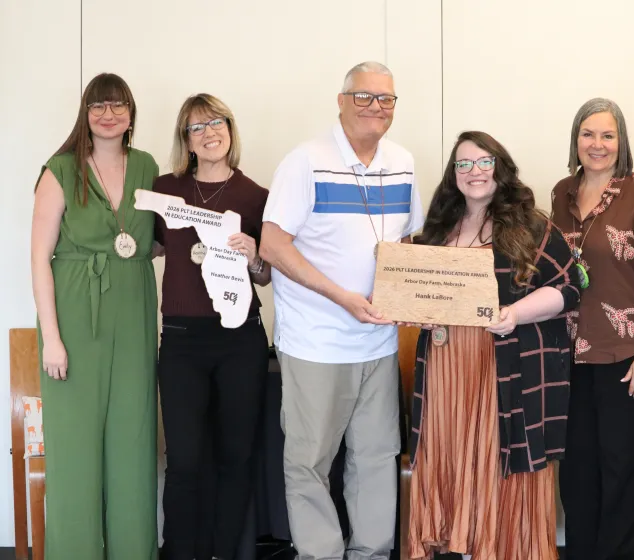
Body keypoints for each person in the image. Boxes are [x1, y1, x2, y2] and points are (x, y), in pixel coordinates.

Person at [259, 61, 424, 560]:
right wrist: (342, 296)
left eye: (387, 99)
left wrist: (407, 293)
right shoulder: (304, 162)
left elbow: (408, 240)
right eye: (365, 97)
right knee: (309, 462)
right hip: (316, 341)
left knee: (376, 459)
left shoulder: (403, 161)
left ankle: (371, 554)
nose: (377, 107)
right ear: (342, 100)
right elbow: (272, 245)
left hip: (378, 343)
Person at [408, 131, 582, 560]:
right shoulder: (437, 228)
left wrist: (516, 314)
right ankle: (465, 547)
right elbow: (416, 292)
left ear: (500, 168)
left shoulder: (531, 227)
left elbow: (571, 286)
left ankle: (497, 548)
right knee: (452, 458)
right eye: (463, 164)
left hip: (501, 366)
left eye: (484, 162)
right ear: (453, 175)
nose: (474, 172)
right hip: (447, 367)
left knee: (491, 459)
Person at [30, 72, 159, 559]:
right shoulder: (60, 169)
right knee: (76, 450)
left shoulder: (146, 165)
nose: (109, 114)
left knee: (133, 441)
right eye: (99, 106)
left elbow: (168, 232)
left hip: (133, 310)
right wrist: (53, 339)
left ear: (131, 113)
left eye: (118, 105)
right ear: (85, 114)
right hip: (74, 316)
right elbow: (40, 256)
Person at [551, 98, 634, 560]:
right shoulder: (561, 193)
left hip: (627, 358)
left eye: (607, 135)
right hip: (568, 357)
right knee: (577, 471)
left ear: (620, 141)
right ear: (575, 140)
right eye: (588, 134)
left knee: (620, 470)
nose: (597, 144)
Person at [154, 94, 271, 560]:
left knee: (236, 455)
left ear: (230, 128)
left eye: (216, 122)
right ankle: (180, 552)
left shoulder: (256, 196)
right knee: (183, 460)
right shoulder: (166, 190)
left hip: (240, 339)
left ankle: (226, 552)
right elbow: (147, 248)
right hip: (182, 341)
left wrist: (255, 256)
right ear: (186, 140)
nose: (209, 133)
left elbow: (266, 275)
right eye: (196, 127)